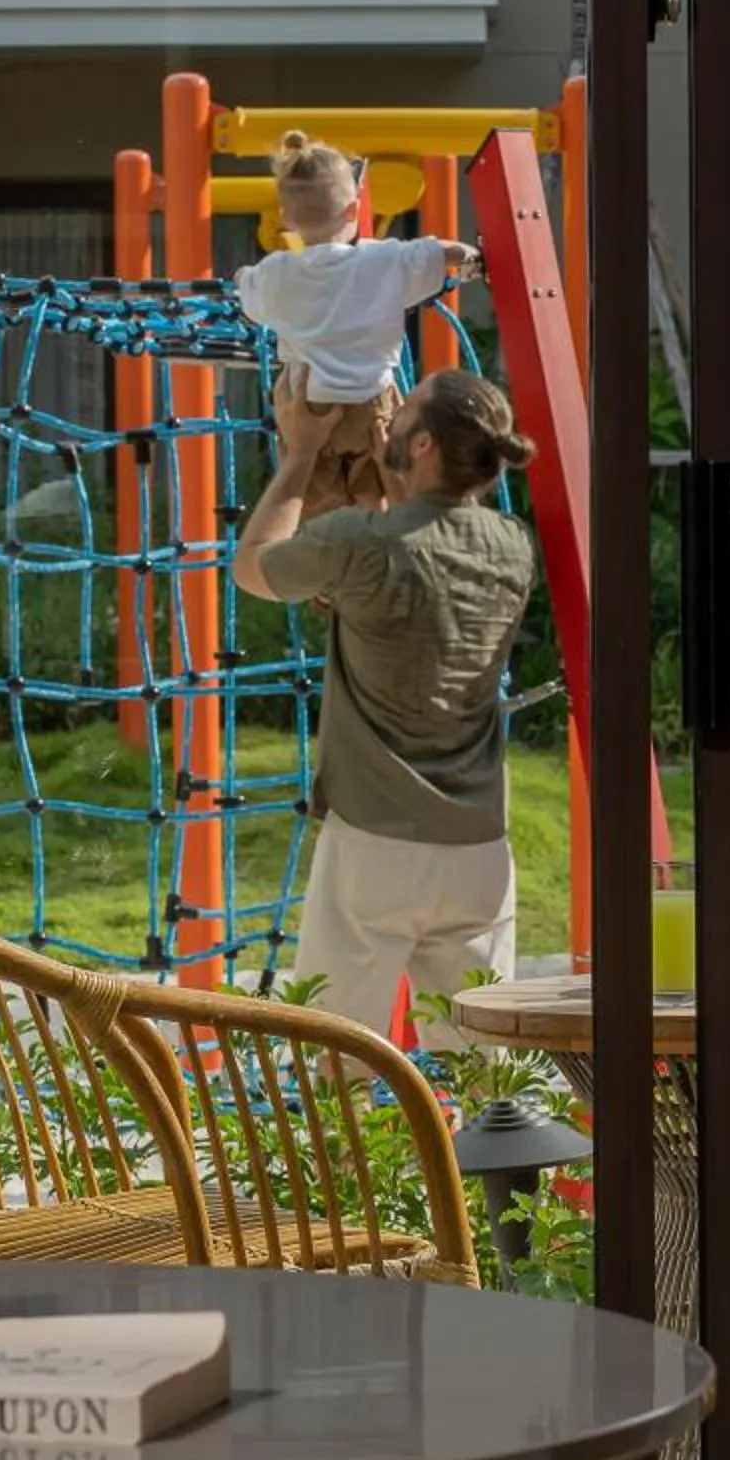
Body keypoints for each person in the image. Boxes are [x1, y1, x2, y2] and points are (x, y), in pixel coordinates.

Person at [233, 368, 541, 1046]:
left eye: (403, 414)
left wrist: (301, 455)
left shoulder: (355, 544)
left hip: (374, 844)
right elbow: (418, 559)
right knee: (488, 1066)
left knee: (337, 1060)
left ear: (424, 444)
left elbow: (252, 566)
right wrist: (388, 472)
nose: (390, 417)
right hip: (478, 847)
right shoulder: (512, 547)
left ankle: (348, 1159)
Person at [234, 131, 479, 521]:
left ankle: (331, 562)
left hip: (310, 402)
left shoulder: (277, 274)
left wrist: (245, 275)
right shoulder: (382, 261)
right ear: (353, 211)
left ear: (286, 219)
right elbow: (440, 252)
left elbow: (247, 290)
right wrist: (473, 257)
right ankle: (380, 538)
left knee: (315, 504)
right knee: (380, 492)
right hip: (372, 401)